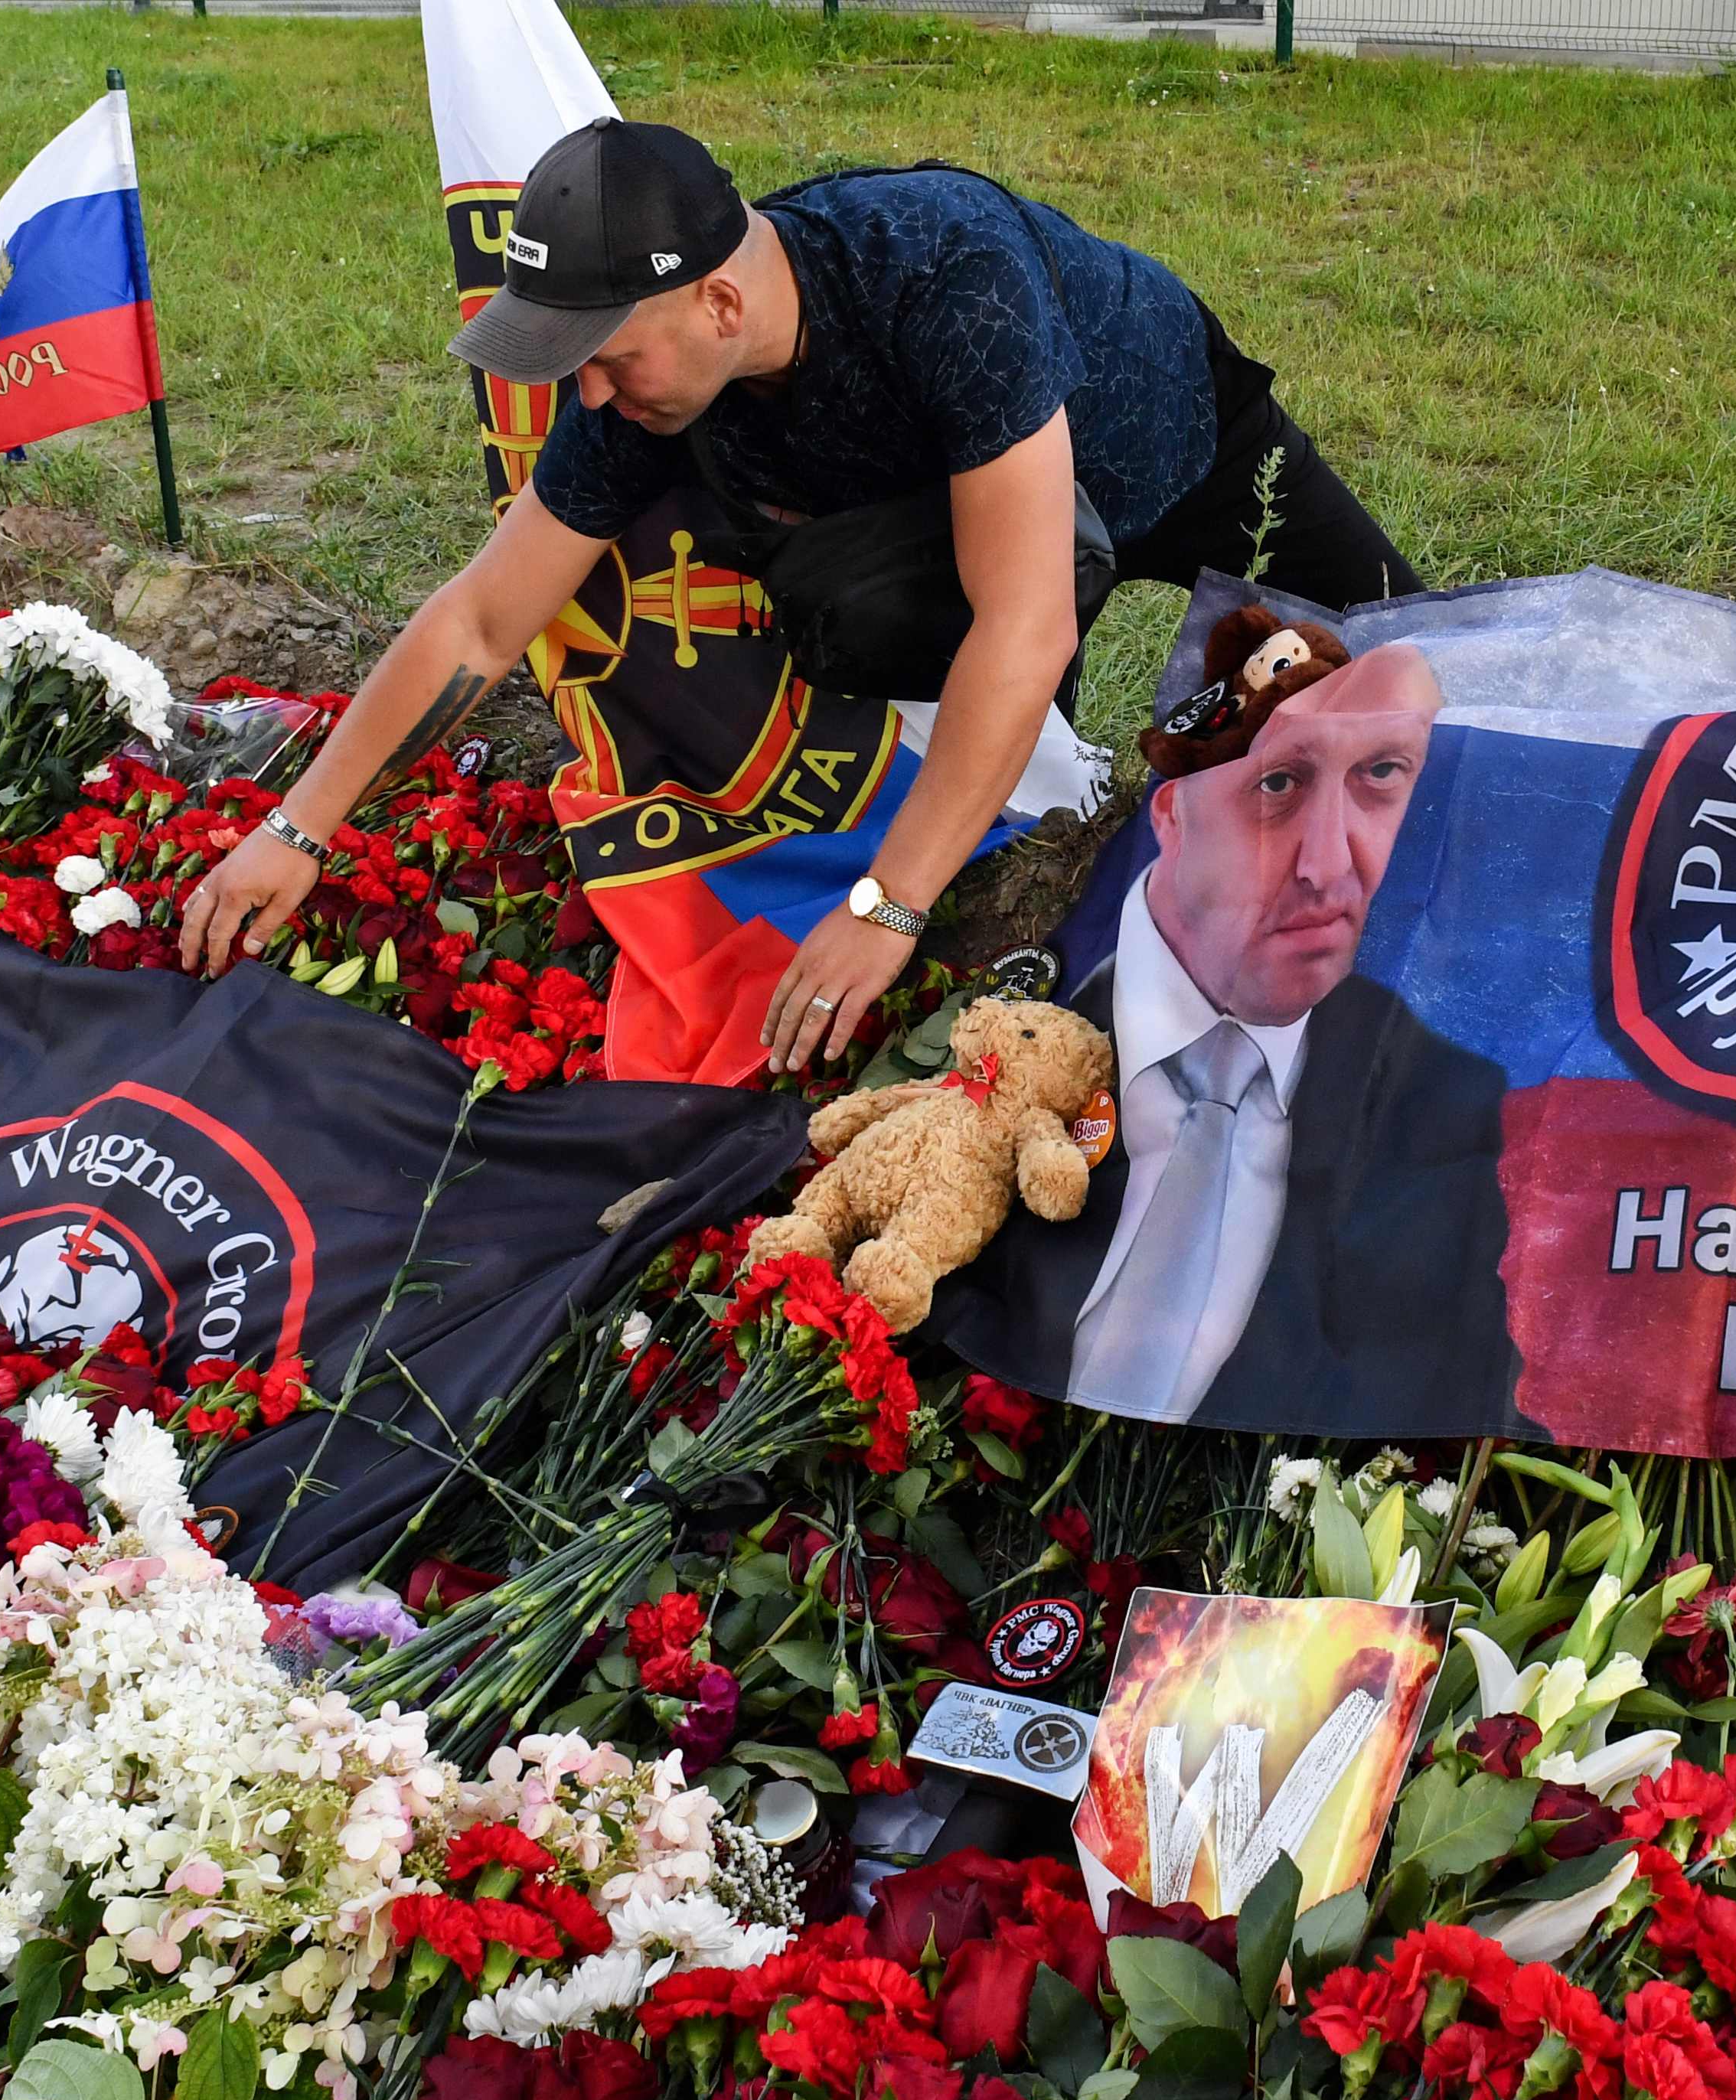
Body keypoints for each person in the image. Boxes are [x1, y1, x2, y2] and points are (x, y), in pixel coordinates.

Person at [178, 118, 1421, 1077]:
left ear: (721, 302)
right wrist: (299, 828)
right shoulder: (648, 384)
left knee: (1410, 664)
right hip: (960, 520)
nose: (591, 397)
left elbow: (1025, 623)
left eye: (606, 357)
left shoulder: (941, 271)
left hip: (1178, 447)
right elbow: (483, 618)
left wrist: (884, 902)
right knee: (1050, 829)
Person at [936, 642, 1526, 1428]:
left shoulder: (1448, 1106)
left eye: (1381, 776)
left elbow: (1438, 1395)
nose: (1328, 865)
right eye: (1276, 785)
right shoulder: (1021, 1013)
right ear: (1173, 811)